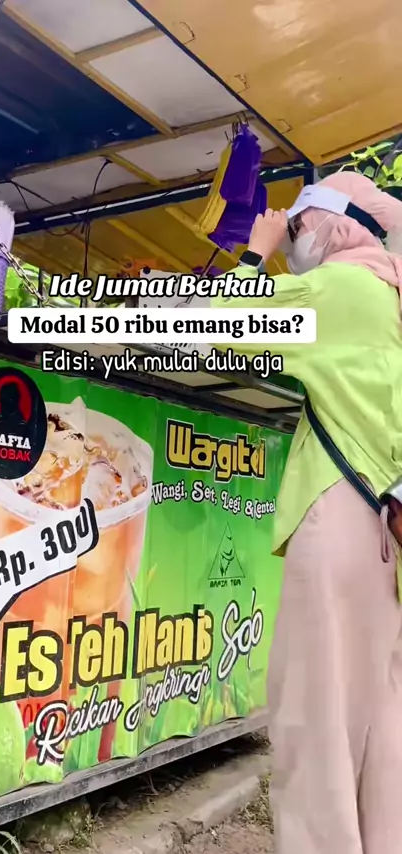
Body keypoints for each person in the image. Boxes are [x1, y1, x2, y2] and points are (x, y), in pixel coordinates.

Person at [212, 171, 402, 854]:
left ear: (335, 226)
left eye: (296, 226)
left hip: (338, 516)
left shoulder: (339, 287)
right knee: (380, 722)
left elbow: (219, 328)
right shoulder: (388, 296)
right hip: (384, 533)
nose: (292, 240)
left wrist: (254, 249)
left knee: (314, 715)